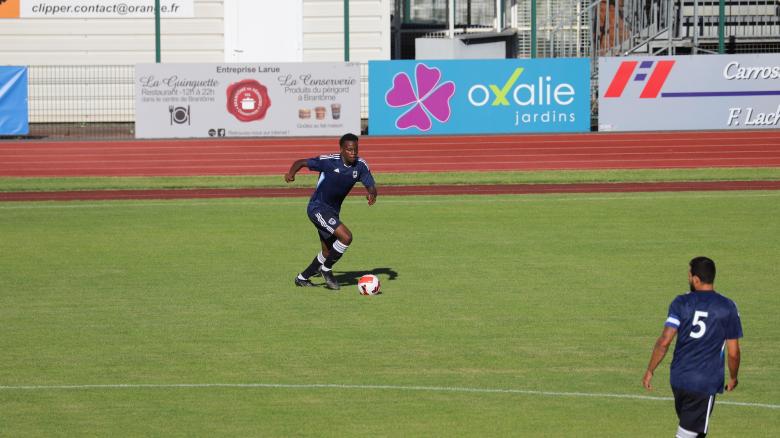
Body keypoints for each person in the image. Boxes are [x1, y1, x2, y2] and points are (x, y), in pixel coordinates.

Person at [643, 257, 742, 438]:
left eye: (689, 275)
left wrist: (650, 370)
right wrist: (733, 377)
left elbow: (664, 341)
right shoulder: (727, 307)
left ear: (696, 279)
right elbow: (733, 353)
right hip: (703, 383)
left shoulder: (681, 303)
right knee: (688, 434)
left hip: (679, 379)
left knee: (695, 432)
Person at [285, 133, 377, 290]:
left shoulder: (360, 165)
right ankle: (326, 270)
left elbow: (371, 185)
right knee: (346, 237)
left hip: (333, 212)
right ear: (341, 149)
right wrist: (290, 174)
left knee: (327, 252)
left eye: (355, 149)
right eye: (349, 150)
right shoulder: (328, 162)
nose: (353, 153)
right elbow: (301, 162)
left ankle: (302, 278)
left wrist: (372, 193)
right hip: (317, 208)